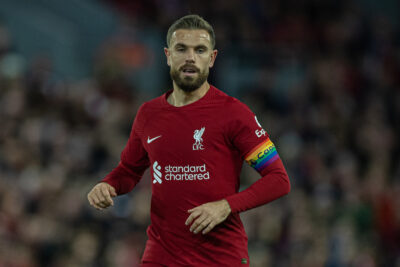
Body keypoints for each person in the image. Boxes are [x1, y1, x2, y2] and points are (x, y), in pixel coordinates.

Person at [87, 14, 290, 267]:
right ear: (168, 55)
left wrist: (226, 206)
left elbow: (278, 180)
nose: (190, 57)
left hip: (219, 257)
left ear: (212, 58)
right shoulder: (148, 114)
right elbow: (129, 170)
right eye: (181, 49)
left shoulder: (235, 114)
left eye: (200, 50)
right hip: (161, 256)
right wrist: (108, 185)